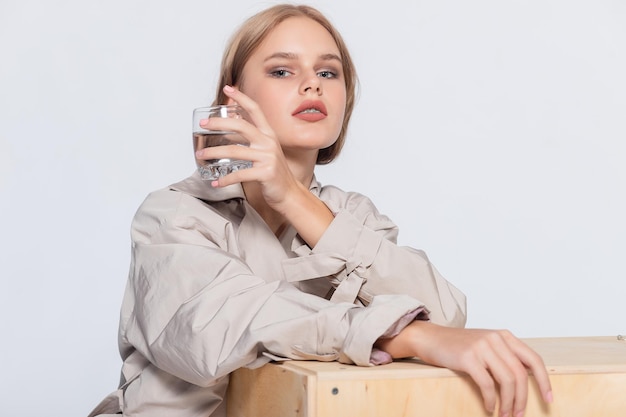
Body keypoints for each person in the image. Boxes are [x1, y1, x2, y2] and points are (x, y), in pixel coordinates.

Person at [88, 4, 552, 417]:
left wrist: (292, 197)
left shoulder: (351, 214)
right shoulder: (173, 215)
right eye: (282, 71)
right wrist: (394, 334)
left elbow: (444, 316)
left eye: (328, 73)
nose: (312, 82)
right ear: (233, 101)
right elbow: (217, 327)